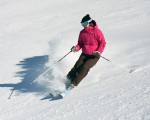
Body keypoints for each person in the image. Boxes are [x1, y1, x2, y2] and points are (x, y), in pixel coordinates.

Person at [67, 14, 106, 90]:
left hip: (94, 55)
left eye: (85, 24)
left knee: (85, 67)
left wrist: (98, 51)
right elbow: (80, 43)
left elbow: (102, 43)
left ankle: (73, 84)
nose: (83, 26)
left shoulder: (97, 31)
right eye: (82, 24)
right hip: (84, 54)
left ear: (89, 22)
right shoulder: (82, 32)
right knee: (76, 67)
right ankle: (67, 79)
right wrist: (76, 48)